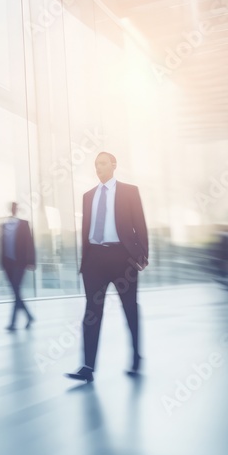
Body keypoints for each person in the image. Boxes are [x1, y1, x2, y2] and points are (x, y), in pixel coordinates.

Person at [66, 152, 148, 383]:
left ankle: (136, 357)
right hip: (94, 260)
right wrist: (85, 260)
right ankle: (87, 367)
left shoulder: (129, 191)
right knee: (92, 312)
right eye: (95, 164)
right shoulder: (88, 196)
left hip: (123, 258)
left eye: (102, 163)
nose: (98, 168)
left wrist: (142, 256)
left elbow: (140, 224)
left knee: (129, 308)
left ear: (113, 165)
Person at [0, 202, 36, 330]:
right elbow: (2, 245)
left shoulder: (23, 224)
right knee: (16, 292)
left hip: (20, 263)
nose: (13, 210)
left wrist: (32, 261)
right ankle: (28, 316)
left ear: (17, 209)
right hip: (7, 263)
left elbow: (29, 243)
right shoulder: (3, 225)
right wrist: (1, 262)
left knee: (16, 291)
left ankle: (13, 323)